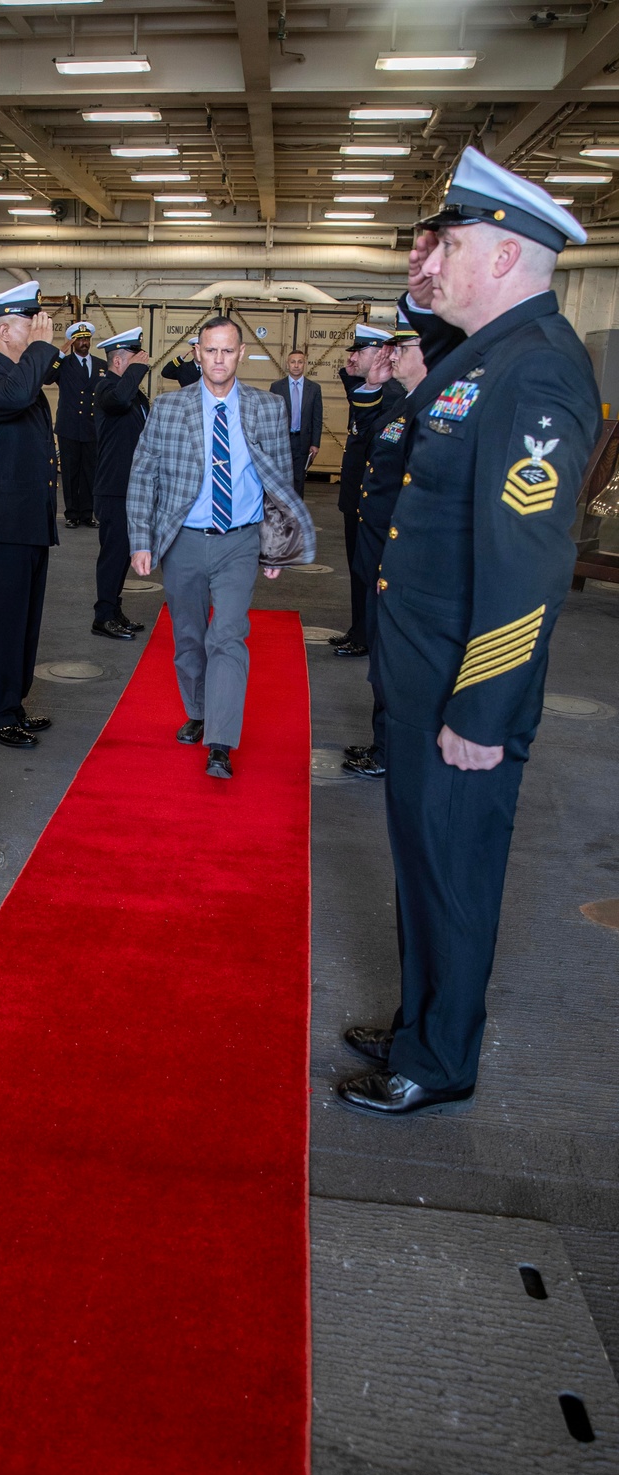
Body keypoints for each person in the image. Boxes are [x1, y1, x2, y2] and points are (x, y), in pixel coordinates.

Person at [339, 147, 601, 1116]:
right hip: (421, 677)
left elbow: (526, 565)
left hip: (462, 690)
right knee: (420, 859)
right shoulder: (480, 357)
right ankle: (420, 1016)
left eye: (444, 243)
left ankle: (440, 1057)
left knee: (452, 871)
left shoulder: (533, 374)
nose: (425, 261)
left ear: (501, 255)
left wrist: (482, 709)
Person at [127, 315, 315, 779]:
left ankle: (221, 741)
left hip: (240, 541)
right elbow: (143, 475)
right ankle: (198, 711)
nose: (218, 359)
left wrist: (275, 548)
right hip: (184, 541)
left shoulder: (268, 408)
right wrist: (141, 541)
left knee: (227, 637)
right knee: (189, 636)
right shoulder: (169, 408)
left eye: (227, 351)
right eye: (210, 350)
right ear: (197, 353)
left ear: (242, 353)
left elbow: (278, 482)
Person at [0, 280, 59, 749]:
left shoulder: (20, 378)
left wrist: (38, 350)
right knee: (3, 626)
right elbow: (19, 395)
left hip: (27, 526)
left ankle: (13, 704)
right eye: (31, 322)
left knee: (24, 624)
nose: (41, 328)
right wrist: (41, 349)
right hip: (1, 529)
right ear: (5, 331)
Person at [343, 311, 433, 780]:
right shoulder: (405, 403)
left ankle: (390, 752)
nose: (392, 354)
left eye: (403, 348)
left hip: (397, 560)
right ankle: (385, 744)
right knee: (384, 658)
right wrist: (375, 387)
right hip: (378, 551)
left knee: (394, 662)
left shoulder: (430, 410)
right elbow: (368, 444)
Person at [332, 325, 404, 659]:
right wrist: (356, 377)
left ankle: (364, 633)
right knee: (357, 568)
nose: (352, 357)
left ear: (380, 354)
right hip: (356, 497)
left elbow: (368, 424)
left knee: (367, 571)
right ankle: (357, 628)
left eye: (358, 351)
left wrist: (366, 382)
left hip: (371, 498)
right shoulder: (374, 390)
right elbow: (360, 405)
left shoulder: (391, 394)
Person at [90, 327, 150, 642]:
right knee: (113, 553)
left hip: (133, 487)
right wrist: (138, 369)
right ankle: (102, 616)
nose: (142, 361)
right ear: (118, 362)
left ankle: (114, 610)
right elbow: (119, 399)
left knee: (124, 553)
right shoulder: (106, 388)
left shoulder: (133, 394)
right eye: (134, 357)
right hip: (113, 487)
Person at [44, 318, 105, 529]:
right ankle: (71, 514)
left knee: (91, 472)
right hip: (69, 427)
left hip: (91, 428)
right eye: (79, 339)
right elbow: (46, 378)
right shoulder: (63, 364)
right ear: (72, 342)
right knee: (70, 473)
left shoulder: (100, 365)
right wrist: (60, 353)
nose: (84, 342)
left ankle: (88, 513)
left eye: (87, 338)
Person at [271, 349, 322, 498]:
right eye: (293, 362)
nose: (296, 365)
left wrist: (315, 443)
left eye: (300, 362)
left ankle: (296, 515)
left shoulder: (314, 389)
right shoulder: (276, 387)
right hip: (282, 441)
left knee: (299, 480)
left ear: (304, 364)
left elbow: (317, 418)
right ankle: (281, 512)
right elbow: (272, 417)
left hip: (302, 441)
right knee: (281, 478)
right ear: (287, 364)